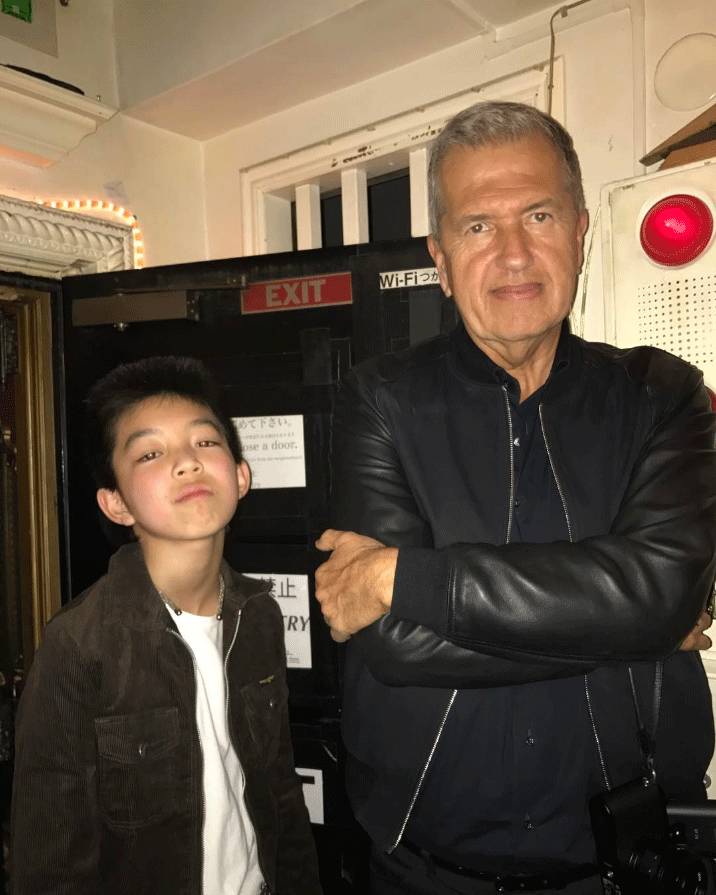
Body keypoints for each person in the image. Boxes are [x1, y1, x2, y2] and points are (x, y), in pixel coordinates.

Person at [315, 101, 716, 894]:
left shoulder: (664, 395)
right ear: (440, 258)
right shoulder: (380, 399)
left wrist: (406, 578)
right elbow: (393, 641)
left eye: (538, 214)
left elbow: (664, 590)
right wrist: (634, 626)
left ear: (579, 231)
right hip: (421, 869)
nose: (513, 253)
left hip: (625, 865)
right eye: (477, 226)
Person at [11, 356, 321, 895]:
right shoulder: (79, 645)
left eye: (205, 442)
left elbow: (279, 795)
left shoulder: (258, 614)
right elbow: (51, 863)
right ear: (116, 504)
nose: (187, 463)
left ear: (241, 475)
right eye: (151, 453)